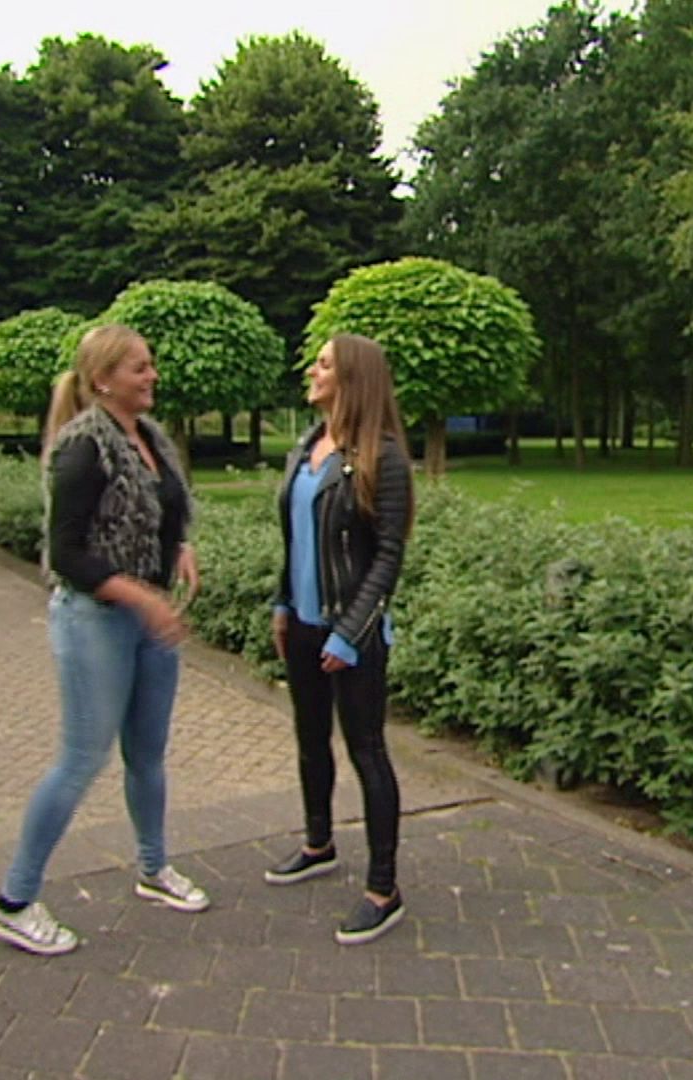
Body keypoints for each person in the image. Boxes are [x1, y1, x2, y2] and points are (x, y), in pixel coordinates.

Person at [0, 324, 209, 957]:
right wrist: (141, 597)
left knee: (148, 753)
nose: (153, 375)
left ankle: (153, 868)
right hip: (97, 620)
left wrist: (180, 548)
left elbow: (167, 511)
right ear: (103, 379)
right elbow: (65, 554)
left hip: (148, 620)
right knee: (82, 758)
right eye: (140, 367)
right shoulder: (83, 448)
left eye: (151, 364)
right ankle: (14, 902)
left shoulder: (150, 438)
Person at [265, 333, 415, 946]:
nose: (312, 370)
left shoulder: (384, 458)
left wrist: (350, 633)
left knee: (367, 751)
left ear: (352, 379)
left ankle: (384, 889)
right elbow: (295, 540)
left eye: (324, 364)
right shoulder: (307, 447)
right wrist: (282, 604)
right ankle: (318, 843)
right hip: (302, 624)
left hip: (353, 633)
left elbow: (388, 556)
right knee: (310, 739)